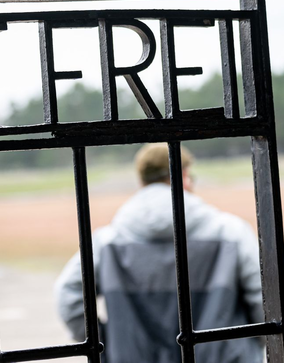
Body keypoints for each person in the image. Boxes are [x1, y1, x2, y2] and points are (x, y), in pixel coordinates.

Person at [54, 143, 264, 362]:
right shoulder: (231, 233)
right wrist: (247, 344)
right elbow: (263, 297)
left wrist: (109, 342)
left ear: (141, 181)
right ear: (184, 176)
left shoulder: (106, 242)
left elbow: (68, 296)